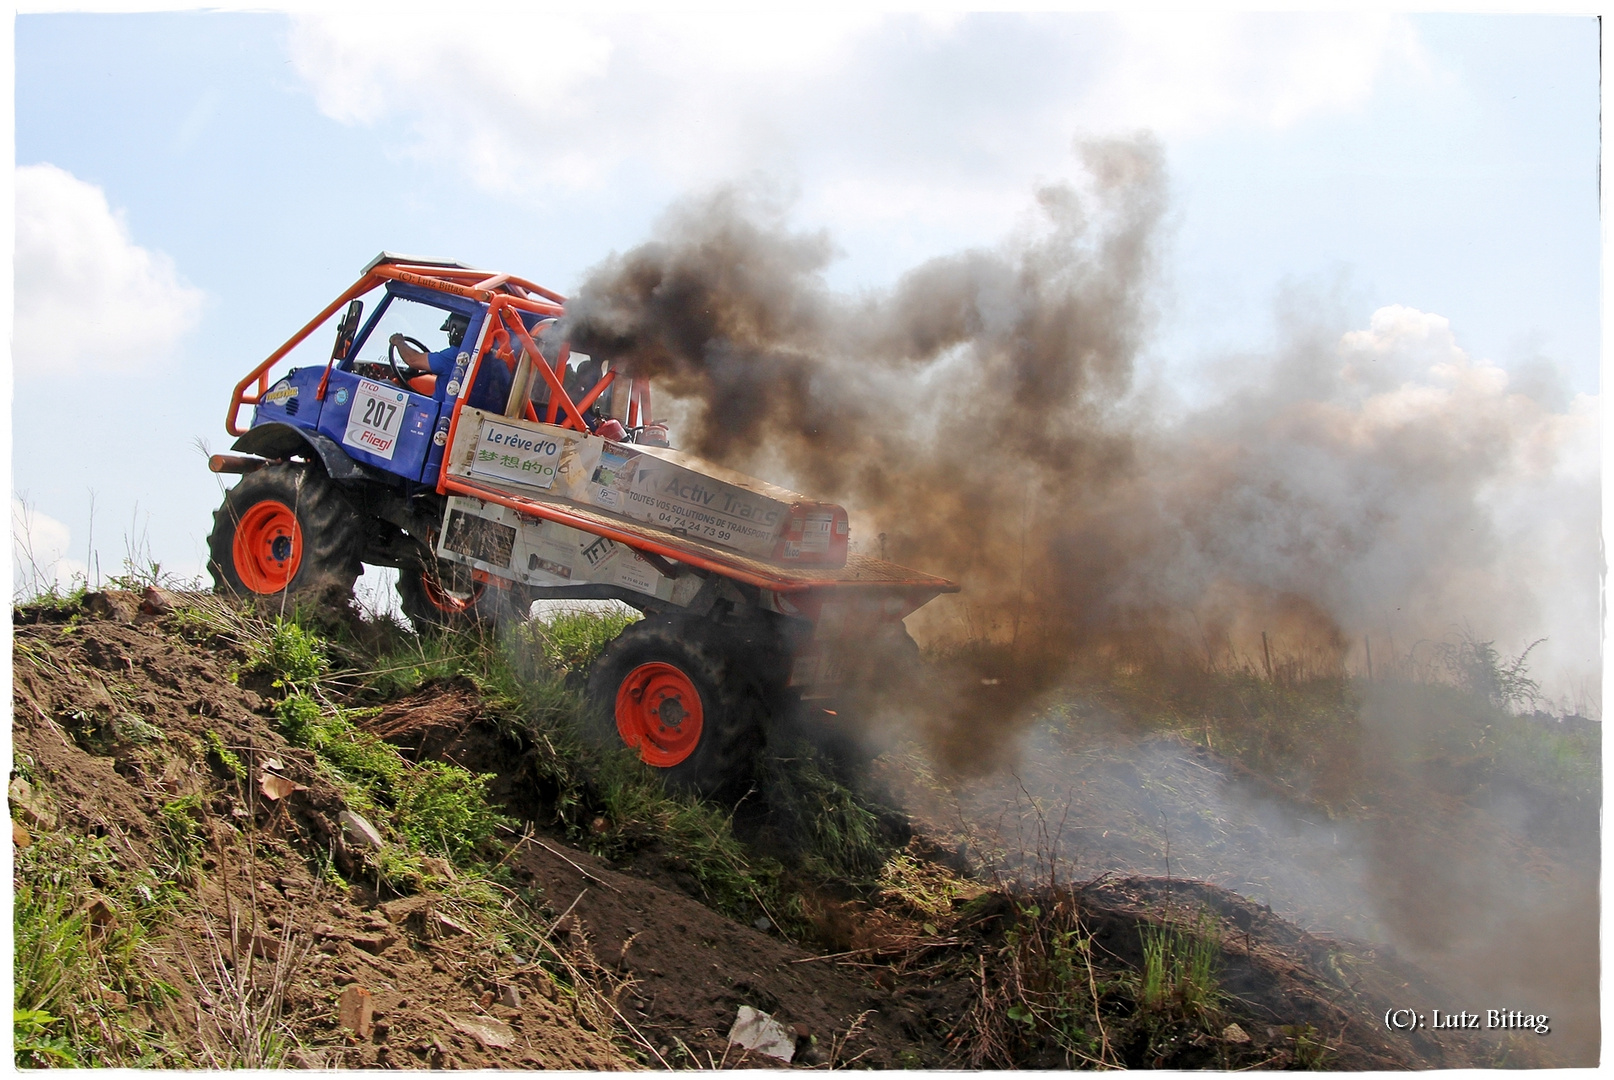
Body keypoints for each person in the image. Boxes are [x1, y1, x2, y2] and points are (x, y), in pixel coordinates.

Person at [390, 313, 470, 400]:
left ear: (456, 331)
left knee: (386, 383)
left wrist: (399, 342)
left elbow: (412, 360)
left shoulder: (454, 355)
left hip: (441, 411)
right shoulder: (474, 356)